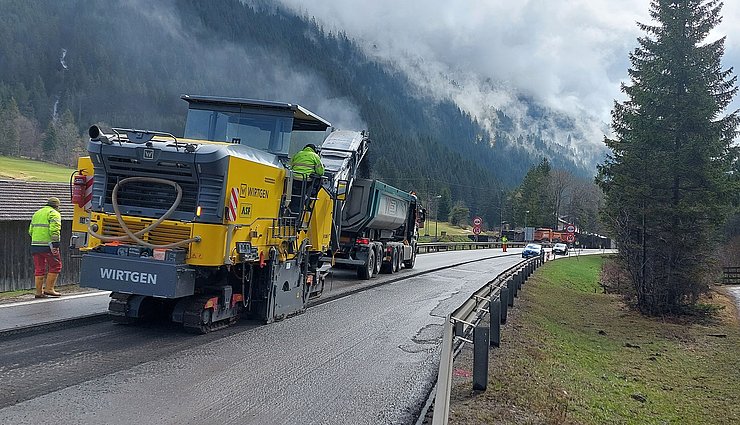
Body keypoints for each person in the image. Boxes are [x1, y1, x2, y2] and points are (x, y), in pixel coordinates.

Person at [29, 197, 63, 298]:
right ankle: (49, 289)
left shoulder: (37, 213)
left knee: (39, 269)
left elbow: (30, 230)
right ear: (57, 206)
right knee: (56, 265)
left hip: (35, 245)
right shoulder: (54, 213)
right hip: (48, 246)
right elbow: (55, 230)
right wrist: (55, 245)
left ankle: (39, 292)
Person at [288, 144, 325, 214]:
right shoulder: (315, 156)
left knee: (296, 196)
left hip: (295, 179)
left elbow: (289, 166)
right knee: (319, 181)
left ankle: (293, 211)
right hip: (306, 180)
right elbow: (320, 172)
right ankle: (309, 199)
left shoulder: (297, 154)